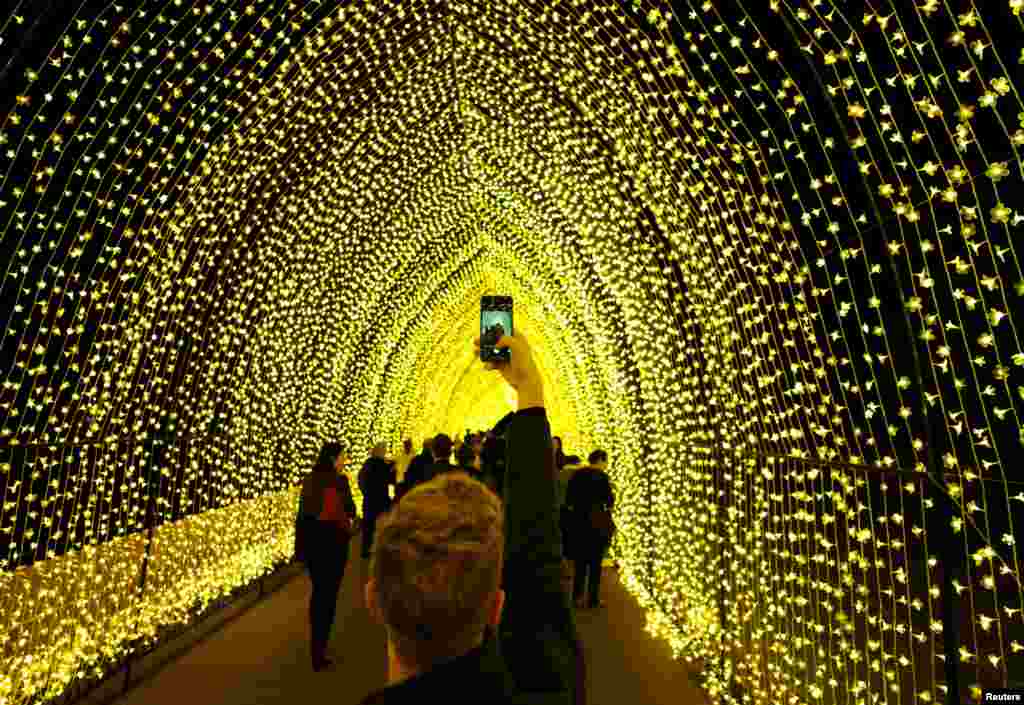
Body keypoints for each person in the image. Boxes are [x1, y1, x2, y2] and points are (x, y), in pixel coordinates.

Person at [359, 332, 584, 705]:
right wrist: (529, 390)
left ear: (373, 600)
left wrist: (529, 396)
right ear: (496, 607)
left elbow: (537, 559)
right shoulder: (546, 692)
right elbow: (537, 555)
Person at [294, 443, 357, 672]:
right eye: (343, 456)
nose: (345, 460)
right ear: (332, 458)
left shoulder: (310, 480)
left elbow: (302, 515)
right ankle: (320, 647)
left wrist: (300, 549)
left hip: (313, 546)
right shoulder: (340, 481)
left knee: (319, 590)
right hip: (334, 545)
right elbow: (350, 510)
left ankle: (316, 644)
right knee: (329, 595)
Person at [565, 450, 615, 610]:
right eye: (605, 461)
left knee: (580, 563)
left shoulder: (577, 475)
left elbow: (569, 498)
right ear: (600, 460)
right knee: (595, 564)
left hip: (579, 522)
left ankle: (577, 597)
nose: (606, 465)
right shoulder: (602, 477)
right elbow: (609, 500)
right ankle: (592, 598)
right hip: (597, 523)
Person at [359, 443, 397, 559]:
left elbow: (361, 480)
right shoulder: (382, 465)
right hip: (381, 500)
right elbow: (390, 480)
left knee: (368, 526)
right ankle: (381, 551)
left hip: (369, 500)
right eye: (384, 451)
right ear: (381, 452)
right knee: (382, 526)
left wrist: (365, 493)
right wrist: (393, 469)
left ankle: (366, 550)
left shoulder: (367, 464)